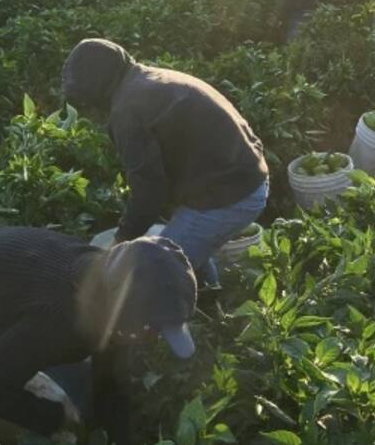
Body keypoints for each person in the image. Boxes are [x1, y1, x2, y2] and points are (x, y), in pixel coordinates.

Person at [0, 225, 197, 445]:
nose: (154, 338)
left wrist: (118, 437)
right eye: (152, 328)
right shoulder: (58, 320)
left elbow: (111, 382)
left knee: (84, 390)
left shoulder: (115, 284)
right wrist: (55, 418)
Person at [61, 39, 269, 287]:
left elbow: (149, 191)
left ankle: (189, 317)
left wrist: (121, 239)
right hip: (247, 179)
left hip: (229, 197)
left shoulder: (127, 112)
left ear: (96, 84)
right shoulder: (149, 78)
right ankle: (211, 301)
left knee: (158, 274)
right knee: (188, 247)